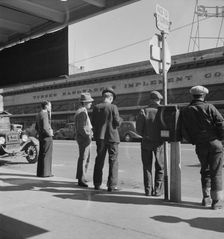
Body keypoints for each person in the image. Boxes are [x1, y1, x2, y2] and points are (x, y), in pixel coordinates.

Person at [180, 85, 224, 210]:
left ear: (192, 96)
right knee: (216, 172)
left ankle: (206, 198)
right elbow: (221, 123)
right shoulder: (210, 107)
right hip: (214, 144)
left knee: (205, 170)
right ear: (203, 95)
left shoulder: (186, 110)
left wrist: (194, 140)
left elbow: (184, 131)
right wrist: (220, 138)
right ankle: (216, 201)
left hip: (200, 145)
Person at [92, 87, 121, 191]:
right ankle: (112, 185)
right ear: (111, 98)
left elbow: (93, 123)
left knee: (99, 160)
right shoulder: (113, 107)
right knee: (113, 161)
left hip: (100, 138)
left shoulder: (96, 107)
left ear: (103, 97)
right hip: (112, 137)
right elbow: (117, 122)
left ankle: (97, 183)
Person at [136, 91, 164, 197]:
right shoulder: (162, 111)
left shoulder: (143, 111)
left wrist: (145, 135)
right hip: (159, 143)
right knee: (160, 167)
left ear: (150, 100)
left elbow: (138, 130)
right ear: (158, 100)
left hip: (146, 142)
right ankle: (157, 191)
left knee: (147, 167)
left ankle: (148, 190)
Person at [74, 92, 94, 187]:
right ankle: (81, 179)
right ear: (84, 102)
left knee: (85, 158)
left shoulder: (82, 111)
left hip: (83, 138)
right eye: (89, 102)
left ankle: (82, 177)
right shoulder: (82, 112)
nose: (91, 103)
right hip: (84, 139)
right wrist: (89, 135)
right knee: (83, 158)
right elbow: (82, 128)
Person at [35, 100, 54, 177]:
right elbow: (46, 127)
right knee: (47, 155)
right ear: (46, 106)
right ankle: (46, 173)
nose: (50, 107)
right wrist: (50, 133)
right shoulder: (45, 114)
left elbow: (36, 127)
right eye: (50, 106)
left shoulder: (38, 114)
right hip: (47, 137)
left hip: (41, 137)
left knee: (41, 155)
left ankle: (40, 173)